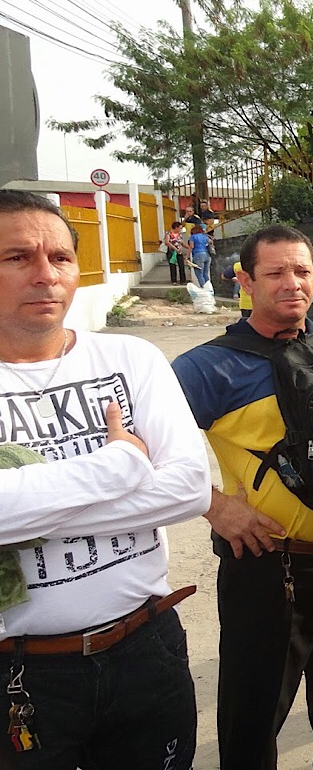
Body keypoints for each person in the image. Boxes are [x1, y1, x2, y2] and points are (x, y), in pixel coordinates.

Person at [0, 189, 211, 768]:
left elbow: (189, 489)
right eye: (18, 257)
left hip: (147, 650)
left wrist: (24, 512)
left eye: (61, 258)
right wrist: (117, 467)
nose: (46, 275)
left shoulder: (130, 358)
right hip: (21, 676)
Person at [172, 225, 313, 769]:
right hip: (267, 569)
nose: (293, 285)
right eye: (276, 273)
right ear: (244, 280)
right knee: (252, 723)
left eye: (303, 271)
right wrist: (214, 505)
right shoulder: (205, 368)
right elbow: (141, 454)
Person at [187, 221, 213, 287]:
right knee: (205, 273)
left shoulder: (193, 237)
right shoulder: (205, 237)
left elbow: (191, 247)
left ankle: (204, 289)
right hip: (207, 255)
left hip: (198, 255)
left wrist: (186, 257)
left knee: (199, 274)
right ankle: (209, 288)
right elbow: (211, 242)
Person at [165, 219, 188, 284]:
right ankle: (174, 280)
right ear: (176, 227)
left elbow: (182, 243)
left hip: (179, 252)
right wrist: (175, 249)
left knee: (181, 266)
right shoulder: (168, 234)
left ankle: (183, 280)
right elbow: (167, 242)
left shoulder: (179, 235)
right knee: (172, 266)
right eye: (180, 228)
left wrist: (188, 247)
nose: (180, 230)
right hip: (171, 252)